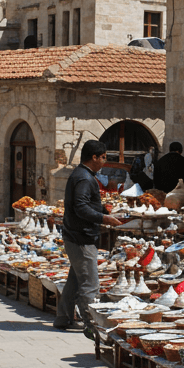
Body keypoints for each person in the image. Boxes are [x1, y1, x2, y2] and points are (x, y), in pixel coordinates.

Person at [56, 140, 123, 335]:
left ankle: (63, 317)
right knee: (90, 284)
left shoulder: (82, 174)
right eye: (103, 158)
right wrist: (104, 218)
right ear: (94, 157)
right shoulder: (84, 178)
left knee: (75, 280)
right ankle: (90, 324)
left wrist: (102, 209)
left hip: (74, 235)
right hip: (81, 238)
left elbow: (84, 204)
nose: (104, 162)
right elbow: (81, 207)